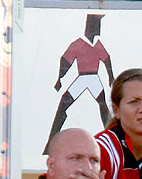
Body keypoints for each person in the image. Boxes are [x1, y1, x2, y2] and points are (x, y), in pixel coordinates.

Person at [44, 13, 115, 154]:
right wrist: (60, 78)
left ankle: (113, 141)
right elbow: (65, 61)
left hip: (93, 78)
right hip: (82, 78)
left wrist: (111, 77)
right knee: (64, 104)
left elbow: (107, 60)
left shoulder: (97, 45)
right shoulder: (78, 44)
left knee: (103, 107)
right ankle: (51, 142)